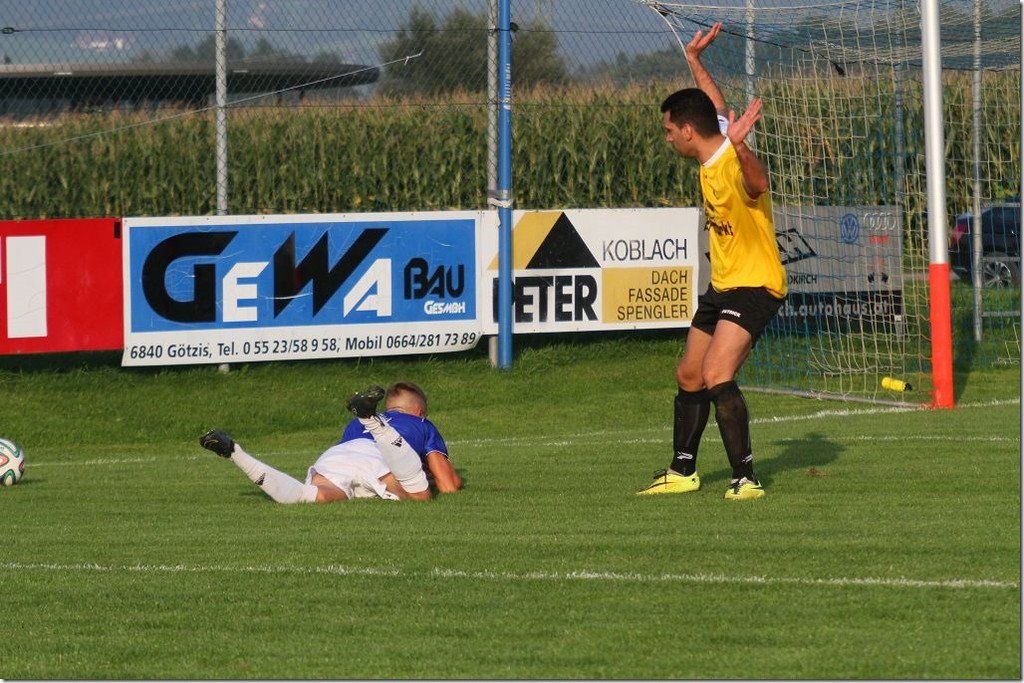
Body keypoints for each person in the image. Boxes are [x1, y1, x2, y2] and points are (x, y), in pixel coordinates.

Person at [637, 22, 787, 501]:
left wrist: (742, 145)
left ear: (687, 131)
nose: (667, 138)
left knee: (717, 374)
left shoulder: (730, 158)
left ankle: (747, 479)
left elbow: (758, 184)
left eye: (669, 131)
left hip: (756, 285)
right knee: (689, 374)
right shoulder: (712, 146)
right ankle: (683, 471)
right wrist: (695, 61)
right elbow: (714, 108)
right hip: (723, 285)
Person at [200, 381, 462, 503]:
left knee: (314, 496)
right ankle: (375, 425)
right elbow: (448, 486)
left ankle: (235, 453)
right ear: (420, 412)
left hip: (337, 455)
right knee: (420, 496)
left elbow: (354, 458)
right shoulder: (421, 424)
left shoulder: (353, 425)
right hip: (378, 455)